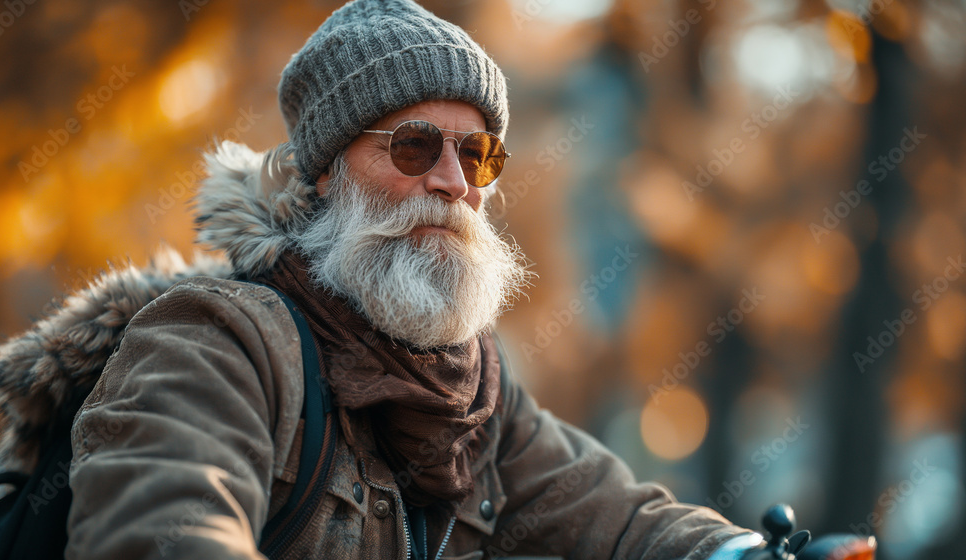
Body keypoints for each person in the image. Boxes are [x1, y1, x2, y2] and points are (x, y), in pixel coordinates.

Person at [44, 0, 767, 557]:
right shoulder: (215, 339)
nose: (454, 182)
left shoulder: (475, 389)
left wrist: (738, 550)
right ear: (327, 172)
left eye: (478, 155)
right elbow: (161, 534)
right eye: (414, 147)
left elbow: (622, 519)